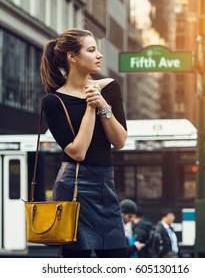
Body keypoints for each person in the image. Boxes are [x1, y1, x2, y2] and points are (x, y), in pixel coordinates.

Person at [41, 29, 128, 258]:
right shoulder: (53, 101)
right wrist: (90, 107)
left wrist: (103, 106)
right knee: (75, 261)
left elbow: (119, 141)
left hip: (104, 185)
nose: (99, 55)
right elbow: (77, 152)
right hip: (73, 188)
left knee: (117, 255)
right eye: (91, 50)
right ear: (72, 57)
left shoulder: (109, 87)